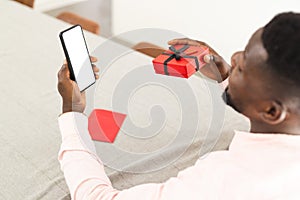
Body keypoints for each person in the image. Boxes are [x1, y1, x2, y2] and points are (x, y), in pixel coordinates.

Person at [57, 12, 300, 199]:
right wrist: (226, 76)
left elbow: (97, 197)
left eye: (243, 66)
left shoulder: (224, 180)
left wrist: (72, 113)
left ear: (272, 111)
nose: (234, 57)